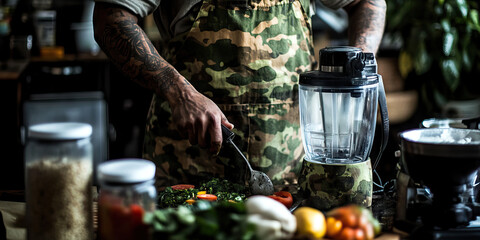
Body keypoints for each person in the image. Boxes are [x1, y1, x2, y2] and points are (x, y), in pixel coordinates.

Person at [93, 0, 386, 190]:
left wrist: (358, 64)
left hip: (290, 179)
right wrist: (179, 91)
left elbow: (369, 3)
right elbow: (110, 17)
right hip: (190, 175)